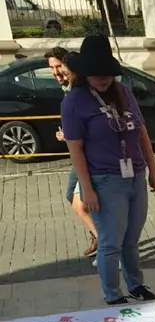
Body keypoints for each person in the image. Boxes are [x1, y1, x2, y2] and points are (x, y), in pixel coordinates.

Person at [61, 35, 155, 305]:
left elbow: (141, 133)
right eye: (97, 74)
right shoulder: (74, 101)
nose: (104, 79)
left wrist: (153, 169)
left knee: (132, 238)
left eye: (108, 73)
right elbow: (76, 149)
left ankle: (136, 285)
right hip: (104, 179)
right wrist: (87, 189)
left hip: (135, 175)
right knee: (110, 241)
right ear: (84, 73)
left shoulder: (123, 92)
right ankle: (112, 295)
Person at [46, 46, 99, 260]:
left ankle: (106, 243)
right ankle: (100, 237)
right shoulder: (68, 90)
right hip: (80, 155)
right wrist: (67, 135)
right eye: (52, 68)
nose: (56, 72)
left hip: (88, 157)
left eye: (59, 66)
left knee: (79, 204)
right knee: (74, 198)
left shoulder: (78, 92)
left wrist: (70, 136)